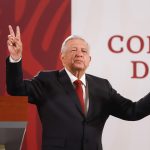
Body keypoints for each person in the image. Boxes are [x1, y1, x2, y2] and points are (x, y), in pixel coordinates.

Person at [6, 25, 150, 150]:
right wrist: (16, 58)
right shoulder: (47, 80)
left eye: (84, 51)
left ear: (89, 60)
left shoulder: (103, 86)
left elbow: (132, 111)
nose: (79, 54)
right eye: (74, 50)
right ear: (62, 57)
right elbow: (16, 89)